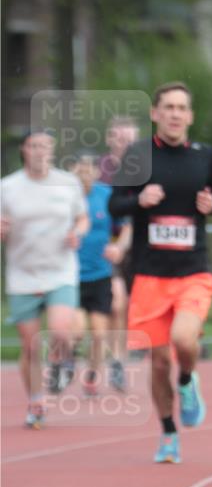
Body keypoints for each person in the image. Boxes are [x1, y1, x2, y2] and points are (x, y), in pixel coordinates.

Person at [108, 82, 212, 463]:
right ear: (155, 114)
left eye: (182, 108)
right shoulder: (138, 156)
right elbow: (114, 204)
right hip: (149, 275)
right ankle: (169, 433)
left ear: (190, 116)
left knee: (185, 340)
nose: (175, 114)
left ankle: (188, 381)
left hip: (193, 271)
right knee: (158, 362)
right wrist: (138, 200)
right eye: (168, 107)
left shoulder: (205, 157)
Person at [0, 130, 89, 428]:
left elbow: (83, 217)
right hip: (23, 274)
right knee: (29, 345)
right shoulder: (8, 187)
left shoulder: (68, 183)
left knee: (61, 331)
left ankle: (63, 361)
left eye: (45, 146)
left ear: (52, 150)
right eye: (33, 146)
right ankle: (36, 401)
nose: (39, 151)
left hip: (60, 270)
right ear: (24, 150)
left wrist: (77, 232)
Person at [72, 155, 127, 396]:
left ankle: (93, 372)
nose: (84, 174)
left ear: (96, 172)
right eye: (80, 169)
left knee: (99, 333)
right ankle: (64, 362)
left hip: (100, 273)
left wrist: (119, 247)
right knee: (75, 331)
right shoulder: (64, 197)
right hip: (69, 276)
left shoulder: (106, 195)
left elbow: (126, 226)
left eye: (89, 169)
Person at [99, 115, 140, 392]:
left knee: (129, 307)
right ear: (109, 140)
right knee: (116, 303)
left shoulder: (145, 170)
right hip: (106, 248)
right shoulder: (100, 172)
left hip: (137, 248)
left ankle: (117, 360)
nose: (124, 145)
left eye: (130, 140)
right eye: (120, 139)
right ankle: (109, 361)